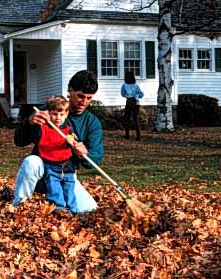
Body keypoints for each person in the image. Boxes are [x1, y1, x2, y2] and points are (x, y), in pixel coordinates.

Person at [12, 70, 103, 213]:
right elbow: (19, 141)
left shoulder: (92, 122)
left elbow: (95, 158)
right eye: (80, 96)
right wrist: (29, 122)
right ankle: (19, 205)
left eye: (89, 98)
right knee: (31, 162)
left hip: (66, 174)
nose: (84, 102)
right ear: (70, 91)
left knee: (88, 209)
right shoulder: (48, 112)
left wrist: (84, 154)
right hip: (43, 169)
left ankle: (58, 199)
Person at [35, 95, 77, 213]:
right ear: (48, 113)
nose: (58, 118)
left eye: (61, 114)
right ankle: (59, 210)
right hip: (51, 166)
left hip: (67, 166)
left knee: (69, 188)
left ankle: (73, 211)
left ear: (66, 114)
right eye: (54, 114)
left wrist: (71, 140)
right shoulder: (43, 128)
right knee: (55, 190)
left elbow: (74, 140)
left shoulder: (68, 129)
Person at [121, 71, 144, 141]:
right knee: (135, 119)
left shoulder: (124, 85)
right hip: (136, 102)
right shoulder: (136, 85)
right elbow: (142, 94)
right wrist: (137, 96)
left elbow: (122, 94)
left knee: (127, 118)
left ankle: (127, 135)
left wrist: (128, 96)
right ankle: (138, 136)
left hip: (129, 101)